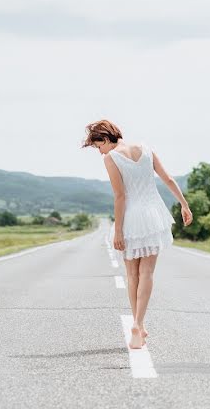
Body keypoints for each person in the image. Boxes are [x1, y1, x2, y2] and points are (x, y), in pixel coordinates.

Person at [82, 119, 193, 349]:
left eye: (97, 146)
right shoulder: (146, 148)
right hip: (153, 215)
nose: (99, 151)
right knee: (148, 274)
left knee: (132, 276)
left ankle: (137, 326)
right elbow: (168, 179)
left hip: (132, 218)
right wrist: (184, 205)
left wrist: (118, 231)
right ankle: (139, 325)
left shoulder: (111, 158)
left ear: (105, 139)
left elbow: (120, 196)